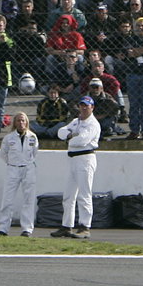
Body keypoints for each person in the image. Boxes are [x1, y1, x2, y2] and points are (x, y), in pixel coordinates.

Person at [51, 94, 100, 238]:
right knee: (68, 195)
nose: (84, 108)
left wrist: (70, 138)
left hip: (85, 158)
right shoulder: (75, 121)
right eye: (82, 105)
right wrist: (72, 135)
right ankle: (66, 226)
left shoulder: (93, 124)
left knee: (84, 194)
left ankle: (85, 226)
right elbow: (60, 132)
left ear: (92, 107)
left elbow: (82, 140)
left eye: (87, 105)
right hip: (73, 159)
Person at [0, 110, 38, 237]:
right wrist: (13, 163)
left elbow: (34, 153)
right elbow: (3, 154)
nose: (21, 122)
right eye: (18, 120)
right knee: (7, 199)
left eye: (23, 120)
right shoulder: (8, 138)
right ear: (15, 123)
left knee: (28, 200)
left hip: (28, 168)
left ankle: (27, 229)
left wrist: (25, 162)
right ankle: (2, 228)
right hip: (12, 168)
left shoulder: (33, 137)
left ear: (27, 122)